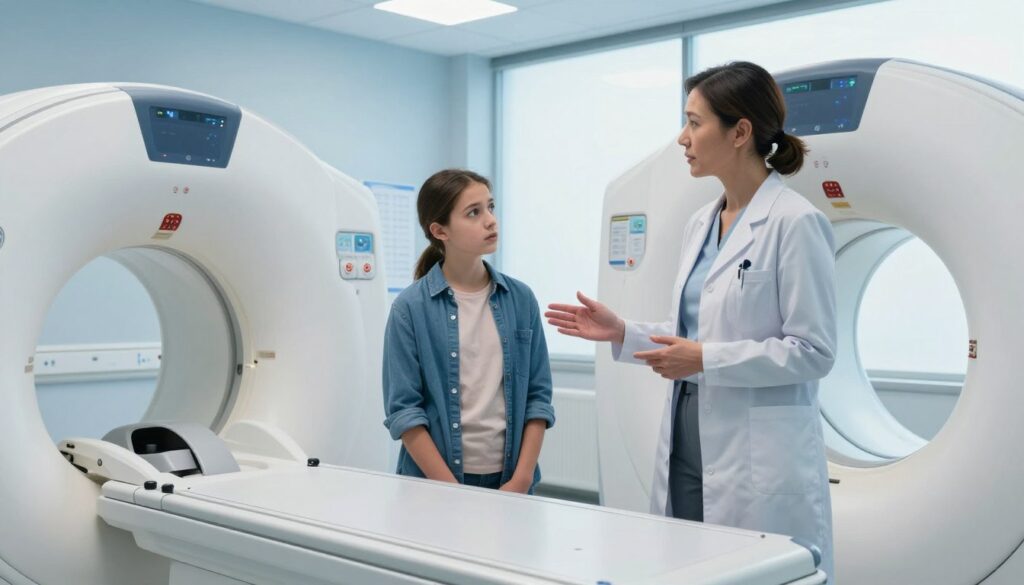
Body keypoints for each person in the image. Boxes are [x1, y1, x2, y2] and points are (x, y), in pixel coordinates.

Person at [545, 61, 837, 579]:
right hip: (685, 436)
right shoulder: (701, 222)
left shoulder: (795, 223)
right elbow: (696, 330)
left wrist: (704, 359)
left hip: (754, 454)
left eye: (695, 122)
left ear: (740, 132)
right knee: (685, 567)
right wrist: (624, 332)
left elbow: (813, 351)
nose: (683, 138)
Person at [383, 169, 555, 494]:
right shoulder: (409, 309)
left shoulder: (521, 300)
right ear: (440, 230)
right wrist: (453, 492)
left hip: (511, 482)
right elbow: (405, 412)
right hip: (435, 487)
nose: (490, 220)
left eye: (490, 207)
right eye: (474, 213)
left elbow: (538, 397)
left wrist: (520, 480)